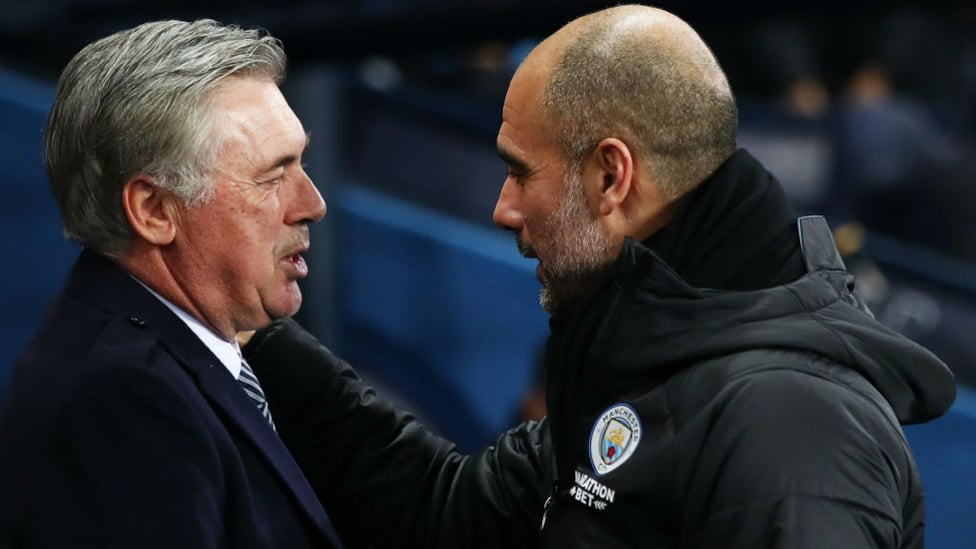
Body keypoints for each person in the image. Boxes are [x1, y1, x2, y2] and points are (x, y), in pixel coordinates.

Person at [244, 5, 958, 548]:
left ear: (612, 175)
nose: (503, 208)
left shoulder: (794, 428)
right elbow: (445, 508)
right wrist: (248, 324)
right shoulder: (640, 359)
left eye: (521, 172)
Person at [0, 19, 344, 548]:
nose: (312, 204)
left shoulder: (168, 356)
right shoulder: (124, 399)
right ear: (155, 210)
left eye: (302, 164)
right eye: (274, 177)